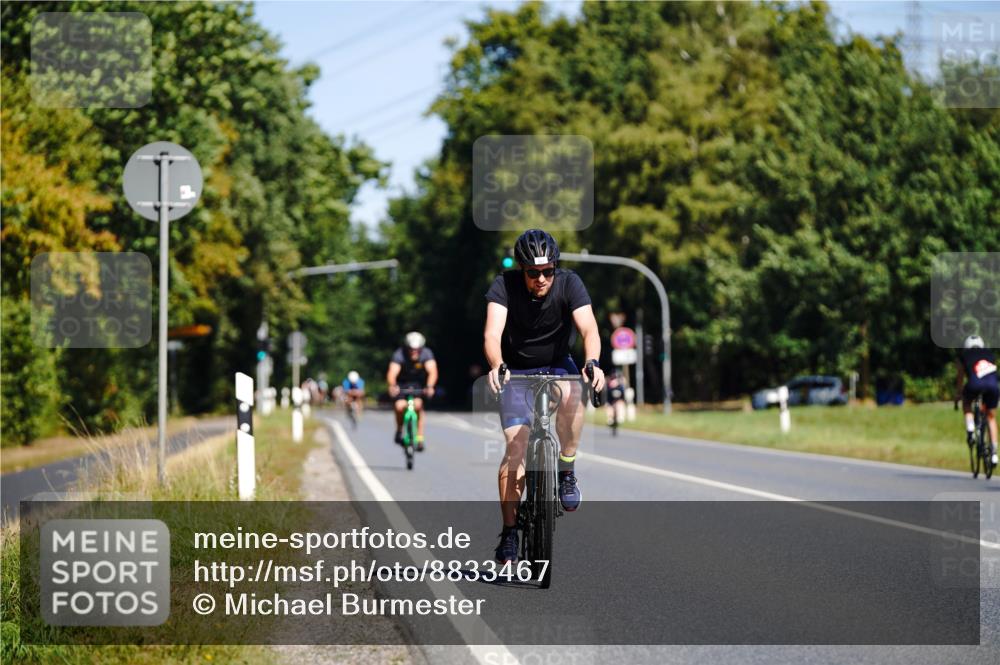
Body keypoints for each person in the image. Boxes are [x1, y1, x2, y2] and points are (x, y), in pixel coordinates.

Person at [484, 229, 605, 563]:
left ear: (555, 267)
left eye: (547, 271)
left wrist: (592, 362)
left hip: (556, 364)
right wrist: (498, 364)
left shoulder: (570, 283)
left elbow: (589, 329)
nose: (541, 279)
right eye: (533, 273)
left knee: (572, 393)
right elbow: (492, 334)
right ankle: (509, 532)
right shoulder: (504, 286)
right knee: (515, 449)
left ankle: (566, 469)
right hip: (516, 370)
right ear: (522, 269)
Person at [387, 331, 438, 452]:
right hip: (402, 384)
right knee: (399, 407)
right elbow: (392, 372)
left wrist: (430, 386)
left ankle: (420, 438)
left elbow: (432, 371)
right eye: (411, 349)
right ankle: (399, 430)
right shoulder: (399, 354)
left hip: (418, 384)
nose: (414, 352)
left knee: (418, 405)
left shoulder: (426, 354)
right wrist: (392, 385)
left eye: (417, 349)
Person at [956, 334, 998, 465]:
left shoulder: (965, 355)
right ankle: (994, 454)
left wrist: (958, 394)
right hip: (993, 386)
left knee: (967, 403)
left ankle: (970, 428)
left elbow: (960, 377)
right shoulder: (990, 354)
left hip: (974, 385)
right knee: (991, 417)